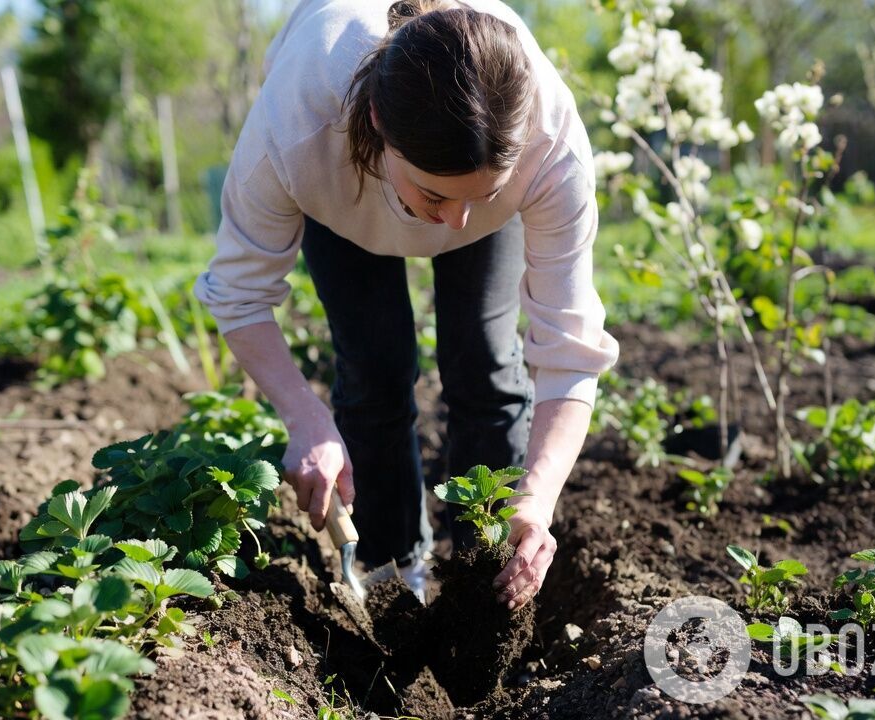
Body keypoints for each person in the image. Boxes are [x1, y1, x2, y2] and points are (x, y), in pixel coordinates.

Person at [194, 0, 618, 610]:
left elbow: (570, 348)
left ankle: (484, 581)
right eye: (436, 195)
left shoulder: (550, 147)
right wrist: (303, 417)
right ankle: (396, 578)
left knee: (486, 364)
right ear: (378, 124)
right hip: (343, 194)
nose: (456, 222)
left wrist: (539, 496)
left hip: (468, 166)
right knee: (374, 369)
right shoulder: (295, 132)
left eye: (483, 194)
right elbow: (237, 292)